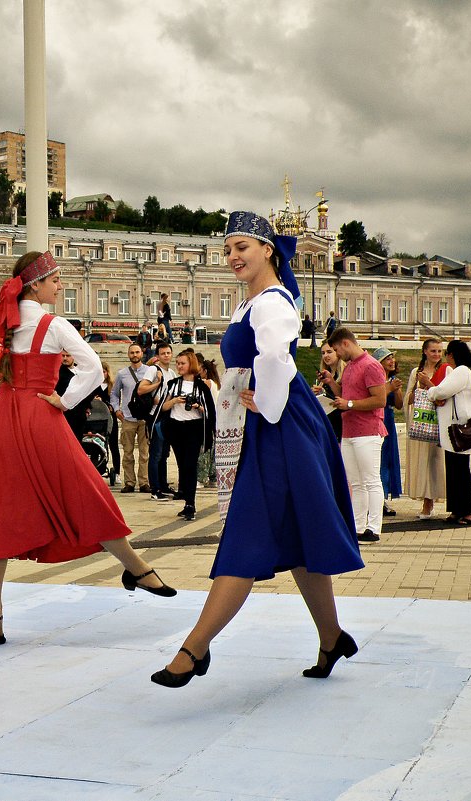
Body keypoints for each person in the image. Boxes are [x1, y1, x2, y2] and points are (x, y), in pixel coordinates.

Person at [152, 211, 361, 688]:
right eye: (227, 250)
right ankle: (332, 638)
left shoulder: (271, 302)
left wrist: (264, 406)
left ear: (268, 250)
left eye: (241, 247)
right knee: (302, 540)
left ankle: (194, 648)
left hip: (280, 426)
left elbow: (275, 356)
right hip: (271, 426)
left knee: (247, 533)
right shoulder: (251, 303)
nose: (232, 257)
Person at [0, 250, 177, 645]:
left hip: (3, 418)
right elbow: (91, 366)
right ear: (36, 284)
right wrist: (66, 400)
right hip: (41, 417)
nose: (61, 285)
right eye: (55, 279)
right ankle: (136, 567)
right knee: (86, 491)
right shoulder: (55, 325)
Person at [327, 328, 390, 543]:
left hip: (368, 430)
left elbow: (380, 400)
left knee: (371, 480)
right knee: (355, 482)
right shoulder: (350, 367)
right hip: (350, 430)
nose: (336, 354)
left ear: (345, 343)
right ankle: (358, 525)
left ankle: (374, 526)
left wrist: (350, 404)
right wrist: (331, 383)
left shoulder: (371, 365)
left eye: (336, 349)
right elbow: (345, 395)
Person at [421, 340, 471, 525]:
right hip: (461, 429)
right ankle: (458, 509)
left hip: (457, 431)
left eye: (447, 353)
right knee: (456, 471)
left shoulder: (462, 371)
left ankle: (468, 510)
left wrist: (429, 387)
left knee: (460, 472)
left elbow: (441, 391)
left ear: (452, 355)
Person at [159, 348, 216, 521]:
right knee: (183, 466)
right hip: (176, 428)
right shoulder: (173, 384)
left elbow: (210, 412)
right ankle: (186, 499)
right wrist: (175, 400)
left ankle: (190, 504)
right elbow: (163, 407)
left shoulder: (202, 386)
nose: (179, 366)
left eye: (182, 363)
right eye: (178, 363)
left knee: (190, 465)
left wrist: (198, 406)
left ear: (191, 364)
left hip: (194, 428)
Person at [404, 338, 446, 519]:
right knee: (422, 461)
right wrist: (419, 387)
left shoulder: (445, 371)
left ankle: (432, 499)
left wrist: (429, 384)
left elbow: (444, 395)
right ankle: (425, 499)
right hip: (422, 423)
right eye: (433, 351)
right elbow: (409, 398)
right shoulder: (416, 372)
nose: (436, 354)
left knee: (435, 461)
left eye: (439, 351)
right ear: (425, 352)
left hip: (438, 423)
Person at [111, 343, 154, 493]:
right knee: (128, 453)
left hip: (144, 419)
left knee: (144, 453)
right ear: (128, 355)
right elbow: (114, 394)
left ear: (141, 353)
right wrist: (116, 409)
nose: (135, 355)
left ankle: (144, 482)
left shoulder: (150, 372)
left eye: (137, 352)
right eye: (132, 353)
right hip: (127, 418)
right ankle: (129, 482)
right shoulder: (122, 374)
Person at [139, 340, 177, 500]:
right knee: (155, 454)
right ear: (158, 356)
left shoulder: (172, 373)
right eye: (163, 353)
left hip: (167, 416)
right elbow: (141, 389)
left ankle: (162, 484)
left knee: (164, 454)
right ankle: (155, 489)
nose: (166, 355)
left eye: (168, 353)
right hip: (155, 417)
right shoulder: (153, 370)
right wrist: (157, 384)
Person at [374, 348, 404, 516]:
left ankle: (384, 497)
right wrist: (389, 388)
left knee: (387, 459)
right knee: (378, 458)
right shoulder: (376, 379)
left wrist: (397, 389)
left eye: (392, 358)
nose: (392, 361)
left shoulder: (393, 380)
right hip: (378, 417)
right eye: (387, 358)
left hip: (389, 418)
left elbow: (399, 405)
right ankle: (378, 499)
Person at [197, 356, 222, 488]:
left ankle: (201, 478)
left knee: (204, 449)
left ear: (205, 371)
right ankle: (213, 477)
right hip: (216, 419)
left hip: (207, 418)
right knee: (213, 449)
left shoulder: (206, 382)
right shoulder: (217, 383)